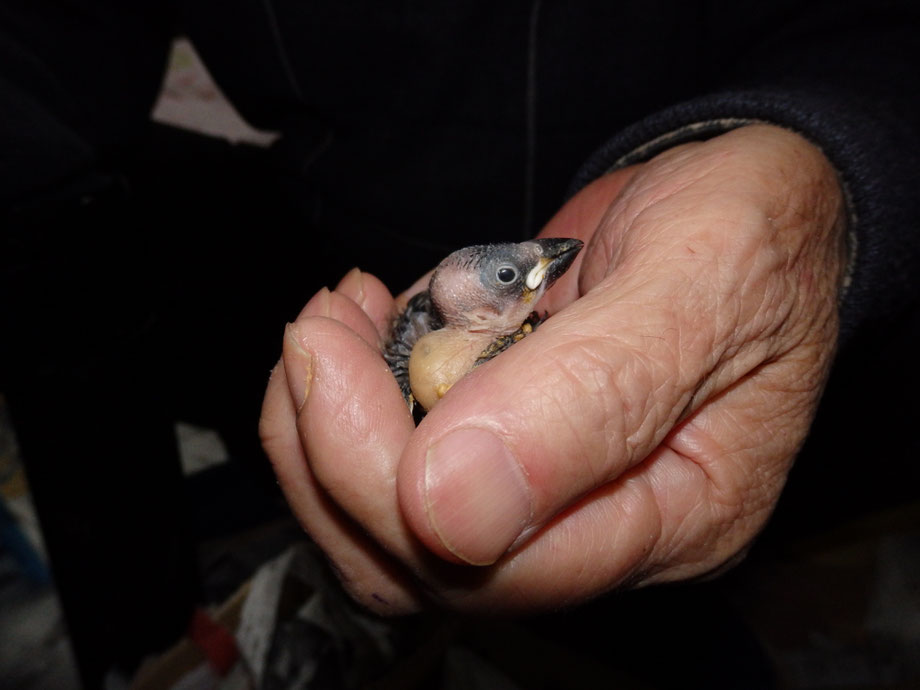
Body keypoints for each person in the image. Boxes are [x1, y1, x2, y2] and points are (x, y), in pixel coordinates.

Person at [2, 0, 919, 686]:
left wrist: (830, 162)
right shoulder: (424, 335)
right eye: (518, 278)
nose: (537, 269)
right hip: (324, 240)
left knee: (649, 614)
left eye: (526, 278)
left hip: (783, 275)